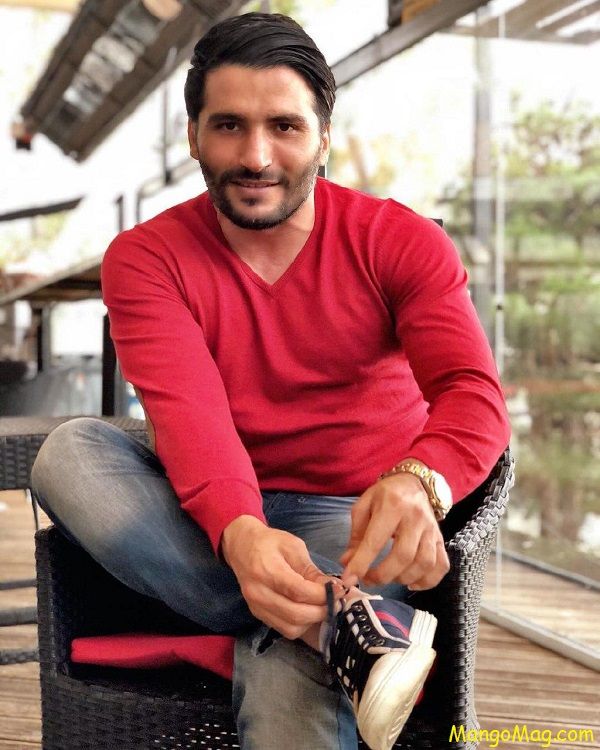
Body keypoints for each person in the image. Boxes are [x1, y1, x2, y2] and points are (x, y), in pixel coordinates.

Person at [31, 12, 511, 750]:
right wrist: (242, 533)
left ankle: (300, 623)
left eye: (284, 126)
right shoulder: (147, 257)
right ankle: (345, 630)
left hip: (349, 519)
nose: (256, 156)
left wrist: (420, 480)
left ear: (323, 137)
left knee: (290, 683)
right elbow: (190, 416)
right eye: (229, 126)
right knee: (68, 454)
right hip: (200, 511)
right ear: (194, 137)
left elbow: (473, 394)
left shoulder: (400, 240)